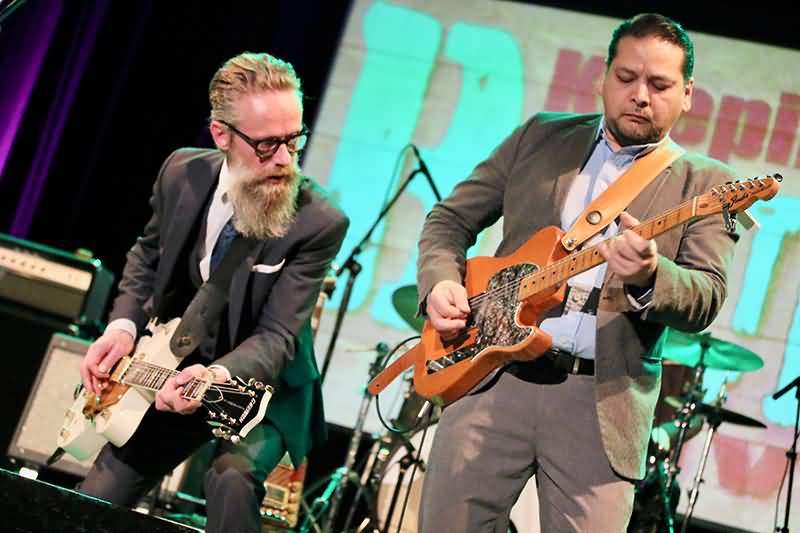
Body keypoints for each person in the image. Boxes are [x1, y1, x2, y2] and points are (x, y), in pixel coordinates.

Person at [415, 13, 738, 532]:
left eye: (659, 85)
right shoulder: (540, 136)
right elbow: (449, 221)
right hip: (492, 379)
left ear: (687, 95)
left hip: (600, 402)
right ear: (603, 78)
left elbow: (707, 295)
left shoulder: (707, 183)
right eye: (627, 77)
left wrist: (650, 275)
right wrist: (441, 282)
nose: (640, 95)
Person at [76, 52, 349, 533]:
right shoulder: (181, 172)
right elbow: (147, 256)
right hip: (174, 370)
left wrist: (216, 374)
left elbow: (278, 336)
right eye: (267, 145)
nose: (285, 159)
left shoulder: (319, 220)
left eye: (294, 139)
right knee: (98, 496)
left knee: (231, 479)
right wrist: (122, 328)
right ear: (221, 135)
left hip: (264, 385)